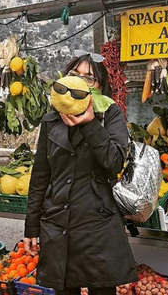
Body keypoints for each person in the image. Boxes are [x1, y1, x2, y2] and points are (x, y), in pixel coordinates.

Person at [24, 50, 138, 295]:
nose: (80, 81)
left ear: (99, 87)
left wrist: (90, 124)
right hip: (58, 221)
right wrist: (31, 226)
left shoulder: (110, 114)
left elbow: (115, 162)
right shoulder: (51, 120)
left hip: (97, 225)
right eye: (74, 75)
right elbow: (41, 175)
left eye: (89, 78)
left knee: (101, 290)